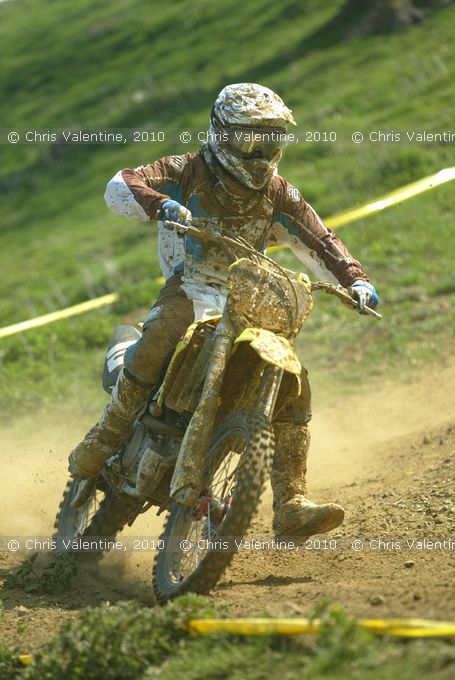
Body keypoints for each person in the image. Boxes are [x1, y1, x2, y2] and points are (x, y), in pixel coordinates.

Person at [69, 83, 379, 539]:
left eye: (270, 140)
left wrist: (356, 280)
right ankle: (107, 433)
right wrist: (162, 204)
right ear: (220, 133)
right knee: (164, 331)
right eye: (248, 140)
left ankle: (291, 502)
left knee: (295, 379)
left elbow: (320, 240)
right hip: (191, 283)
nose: (259, 153)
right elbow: (122, 182)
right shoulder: (189, 170)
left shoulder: (277, 193)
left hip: (246, 296)